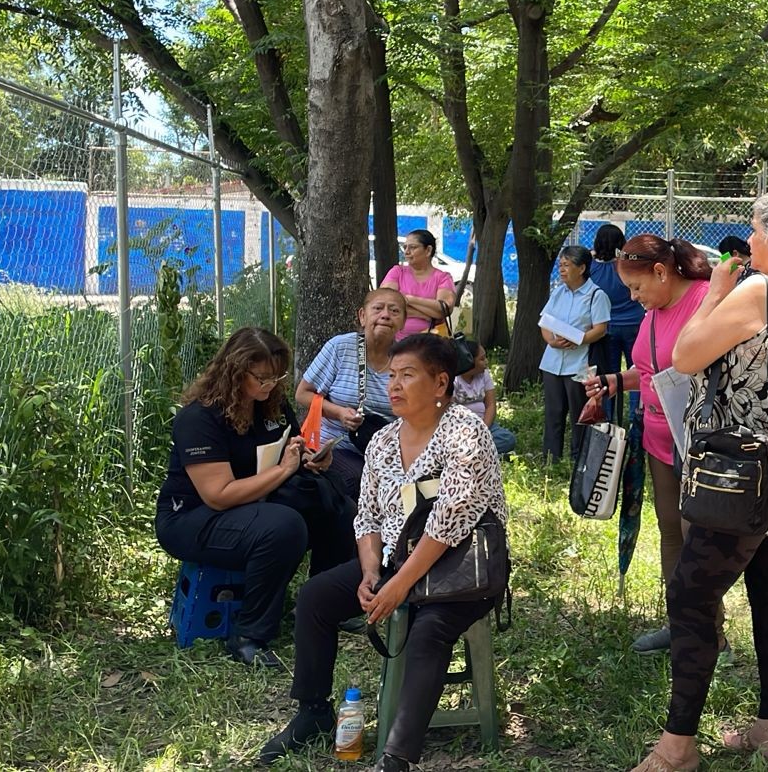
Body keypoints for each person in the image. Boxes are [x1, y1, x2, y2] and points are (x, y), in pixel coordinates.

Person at [632, 186, 768, 772]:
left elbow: (684, 357)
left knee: (691, 595)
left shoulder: (758, 290)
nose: (749, 238)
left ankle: (678, 745)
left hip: (740, 477)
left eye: (754, 227)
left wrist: (716, 293)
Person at [258, 334, 509, 769]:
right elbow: (368, 517)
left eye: (407, 375)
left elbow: (447, 523)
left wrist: (398, 586)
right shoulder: (383, 440)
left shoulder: (466, 433)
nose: (394, 385)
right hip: (398, 561)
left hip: (462, 567)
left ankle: (397, 757)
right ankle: (313, 711)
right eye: (391, 375)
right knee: (316, 597)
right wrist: (371, 571)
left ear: (440, 383)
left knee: (428, 631)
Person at [154, 327, 335, 670]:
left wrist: (309, 459)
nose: (269, 385)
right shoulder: (199, 418)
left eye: (277, 377)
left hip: (251, 502)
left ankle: (323, 605)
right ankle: (249, 635)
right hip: (192, 517)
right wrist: (283, 470)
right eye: (261, 378)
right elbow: (218, 495)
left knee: (329, 499)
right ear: (235, 372)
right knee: (283, 526)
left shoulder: (272, 403)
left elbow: (295, 447)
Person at [581, 234, 719, 656]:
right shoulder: (653, 312)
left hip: (697, 442)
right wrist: (612, 382)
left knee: (698, 539)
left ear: (661, 272)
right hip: (658, 438)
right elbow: (648, 371)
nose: (633, 297)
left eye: (636, 287)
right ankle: (679, 625)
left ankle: (710, 633)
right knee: (670, 530)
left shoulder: (705, 300)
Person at [294, 287, 409, 560]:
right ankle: (343, 564)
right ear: (362, 316)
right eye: (378, 308)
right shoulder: (341, 347)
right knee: (356, 483)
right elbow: (302, 394)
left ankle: (386, 561)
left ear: (403, 322)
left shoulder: (407, 358)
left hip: (388, 452)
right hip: (335, 446)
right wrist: (337, 413)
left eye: (394, 311)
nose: (385, 315)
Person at [538, 244, 611, 462]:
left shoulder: (596, 295)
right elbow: (545, 322)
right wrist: (551, 341)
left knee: (580, 413)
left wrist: (578, 339)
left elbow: (600, 329)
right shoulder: (558, 292)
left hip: (579, 364)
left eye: (567, 265)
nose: (561, 269)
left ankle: (578, 459)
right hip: (552, 362)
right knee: (553, 413)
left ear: (582, 268)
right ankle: (551, 458)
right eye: (560, 265)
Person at [589, 223, 644, 379]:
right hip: (634, 322)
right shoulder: (628, 265)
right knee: (637, 369)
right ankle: (637, 396)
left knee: (610, 374)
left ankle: (612, 395)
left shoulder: (590, 267)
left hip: (606, 326)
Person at [381, 229, 456, 337]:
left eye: (412, 247)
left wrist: (409, 299)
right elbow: (385, 303)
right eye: (405, 247)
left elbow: (444, 309)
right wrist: (430, 316)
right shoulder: (397, 272)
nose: (406, 252)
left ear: (428, 250)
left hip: (432, 342)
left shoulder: (443, 278)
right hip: (397, 342)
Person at [455, 339, 517, 456]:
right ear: (469, 361)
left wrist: (483, 429)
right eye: (482, 359)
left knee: (507, 439)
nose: (486, 362)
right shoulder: (454, 379)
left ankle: (469, 452)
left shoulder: (484, 374)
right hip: (461, 428)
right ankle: (481, 453)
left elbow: (490, 405)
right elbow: (449, 411)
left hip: (484, 424)